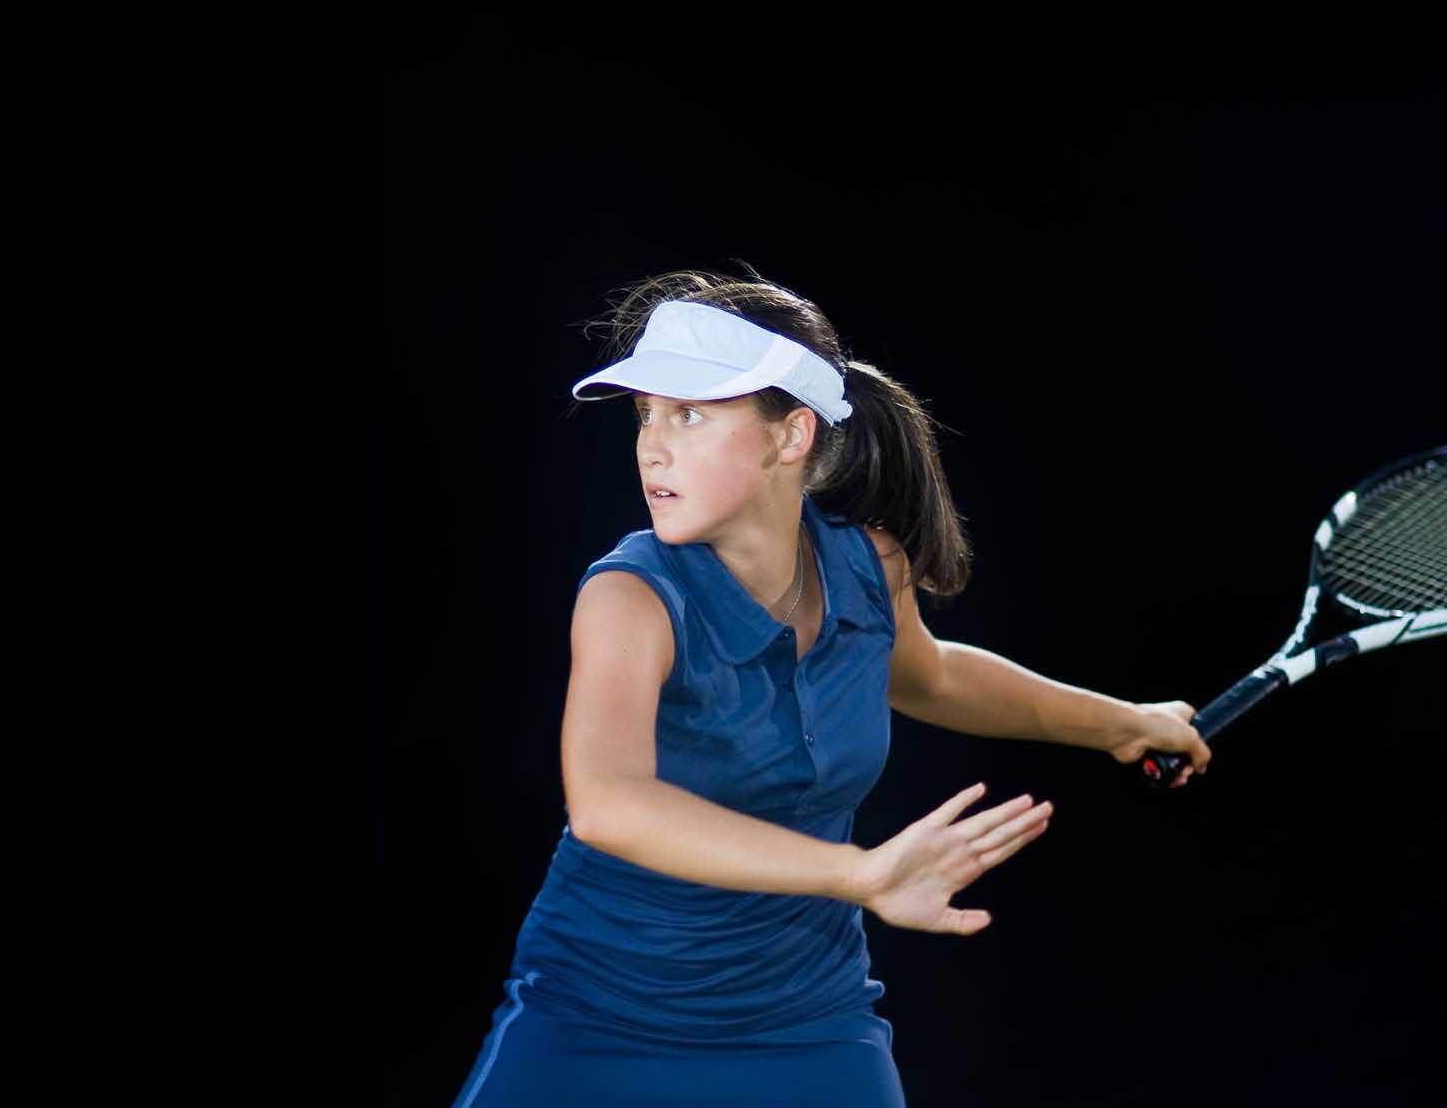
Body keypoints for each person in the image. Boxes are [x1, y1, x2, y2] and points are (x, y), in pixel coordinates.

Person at [448, 268, 1213, 1107]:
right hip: (596, 1010)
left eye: (691, 414)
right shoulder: (629, 597)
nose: (652, 446)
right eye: (645, 414)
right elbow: (608, 804)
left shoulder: (867, 564)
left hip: (807, 1016)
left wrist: (1121, 722)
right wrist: (865, 875)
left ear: (793, 435)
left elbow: (934, 677)